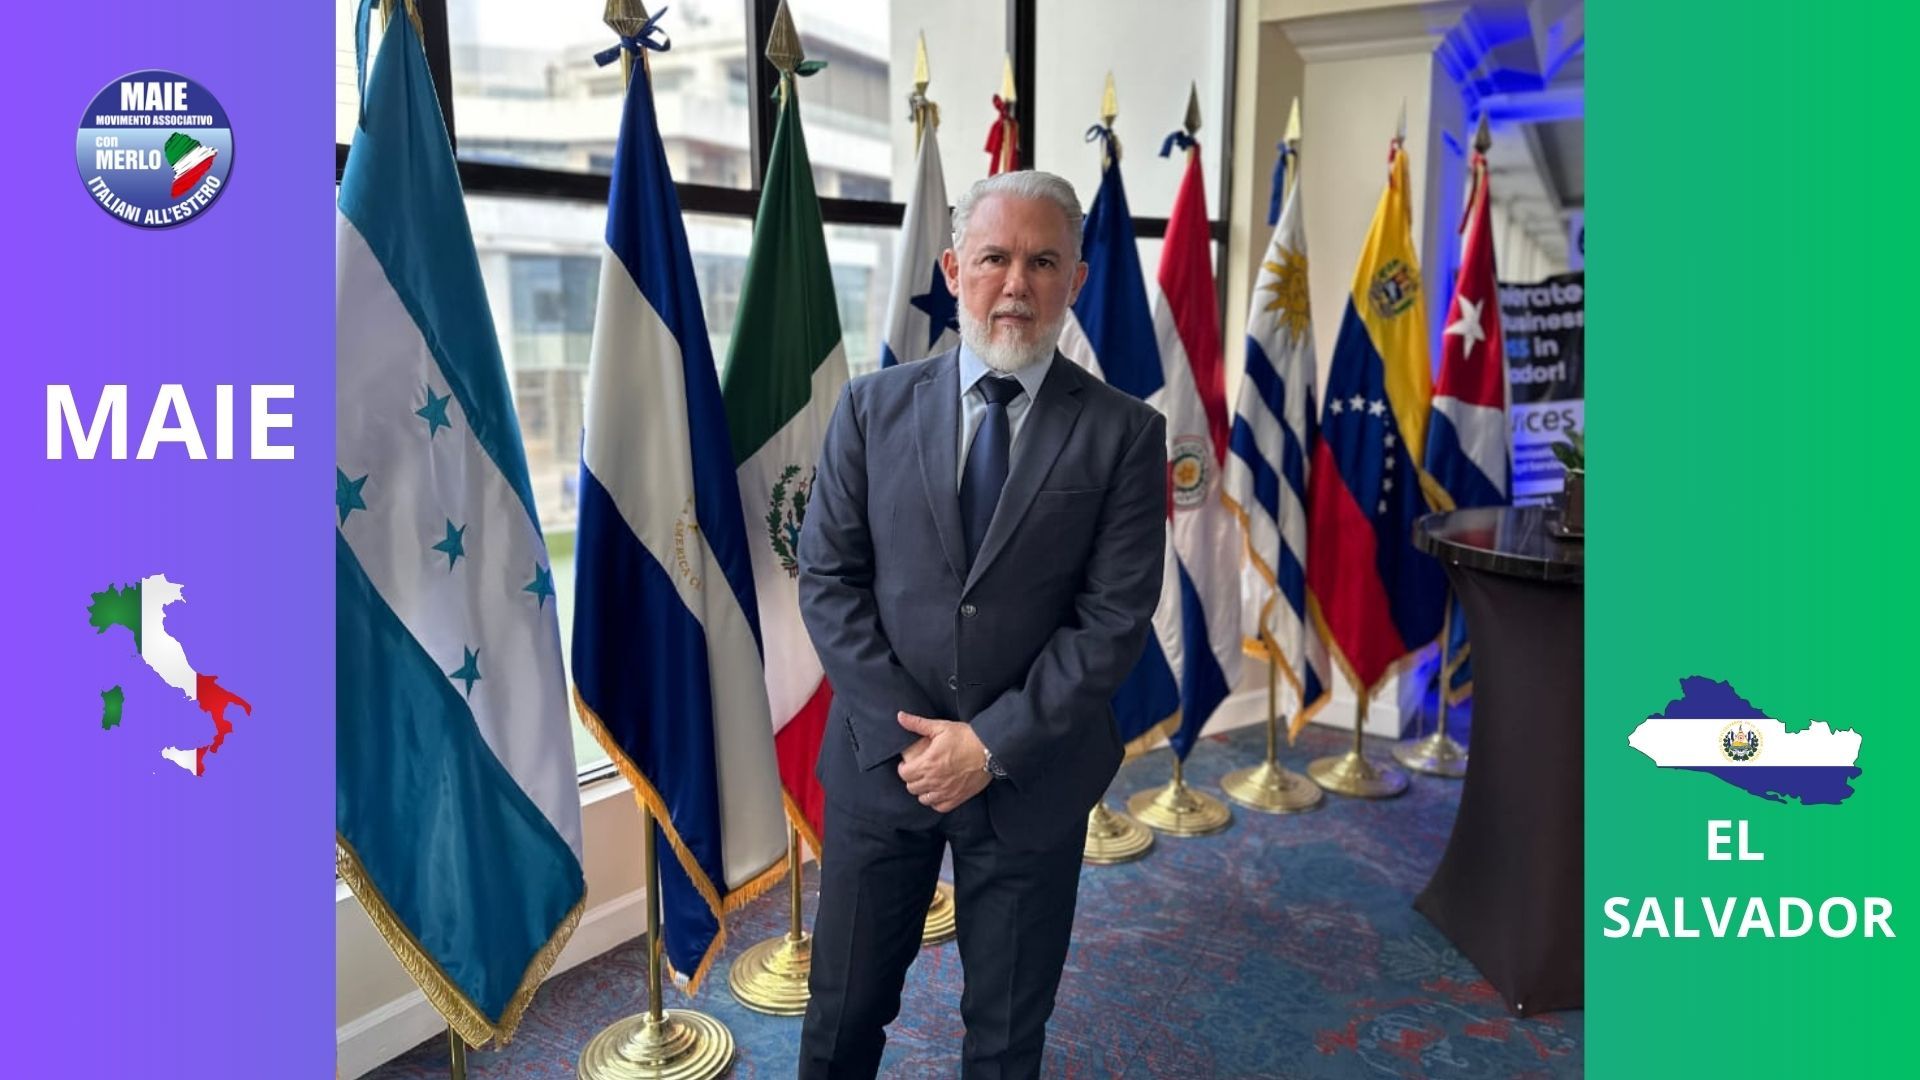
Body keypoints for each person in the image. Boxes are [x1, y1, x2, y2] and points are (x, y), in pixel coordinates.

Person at [796, 170, 1168, 1079]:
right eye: (995, 257)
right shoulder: (870, 408)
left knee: (1005, 1038)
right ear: (954, 268)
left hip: (1031, 777)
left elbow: (1113, 618)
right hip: (885, 767)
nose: (1016, 284)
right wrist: (915, 742)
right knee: (843, 1014)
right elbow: (829, 582)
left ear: (1076, 279)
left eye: (1043, 262)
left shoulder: (1125, 433)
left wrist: (989, 745)